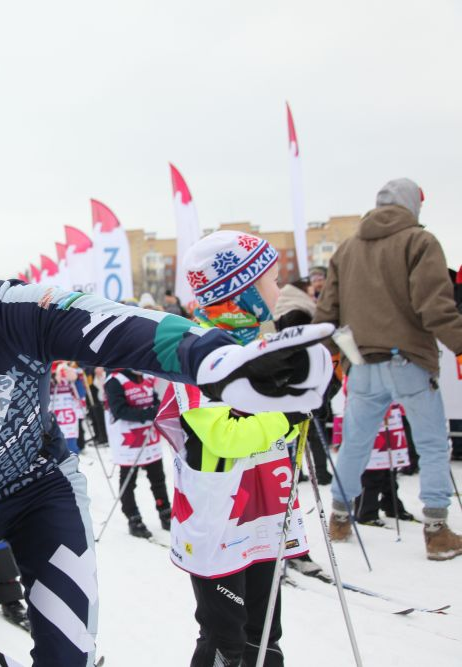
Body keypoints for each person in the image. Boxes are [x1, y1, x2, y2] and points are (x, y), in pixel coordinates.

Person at [0, 186, 333, 667]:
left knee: (68, 655)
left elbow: (114, 325)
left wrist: (220, 361)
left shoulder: (0, 310)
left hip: (40, 493)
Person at [157, 230, 326, 667]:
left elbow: (280, 432)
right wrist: (287, 414)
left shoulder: (259, 345)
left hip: (263, 511)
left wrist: (305, 398)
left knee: (265, 630)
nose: (278, 289)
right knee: (225, 636)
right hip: (219, 519)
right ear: (241, 292)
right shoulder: (195, 352)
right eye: (269, 281)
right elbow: (223, 437)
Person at [314, 178, 462, 560]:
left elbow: (327, 314)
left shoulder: (346, 249)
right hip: (408, 360)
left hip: (361, 365)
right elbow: (435, 307)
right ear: (413, 205)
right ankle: (436, 529)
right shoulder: (419, 241)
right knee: (431, 443)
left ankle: (340, 517)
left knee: (355, 444)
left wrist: (338, 354)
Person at [273, 278, 333, 485]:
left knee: (294, 432)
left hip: (285, 381)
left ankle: (295, 470)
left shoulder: (282, 308)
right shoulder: (299, 313)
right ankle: (321, 473)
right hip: (303, 381)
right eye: (310, 292)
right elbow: (307, 352)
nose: (312, 296)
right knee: (313, 432)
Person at [104, 368, 168, 538]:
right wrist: (149, 413)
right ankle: (133, 517)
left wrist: (157, 409)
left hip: (149, 436)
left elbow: (155, 401)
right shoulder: (115, 380)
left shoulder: (147, 376)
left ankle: (165, 511)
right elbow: (119, 410)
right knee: (128, 481)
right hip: (129, 440)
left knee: (158, 478)